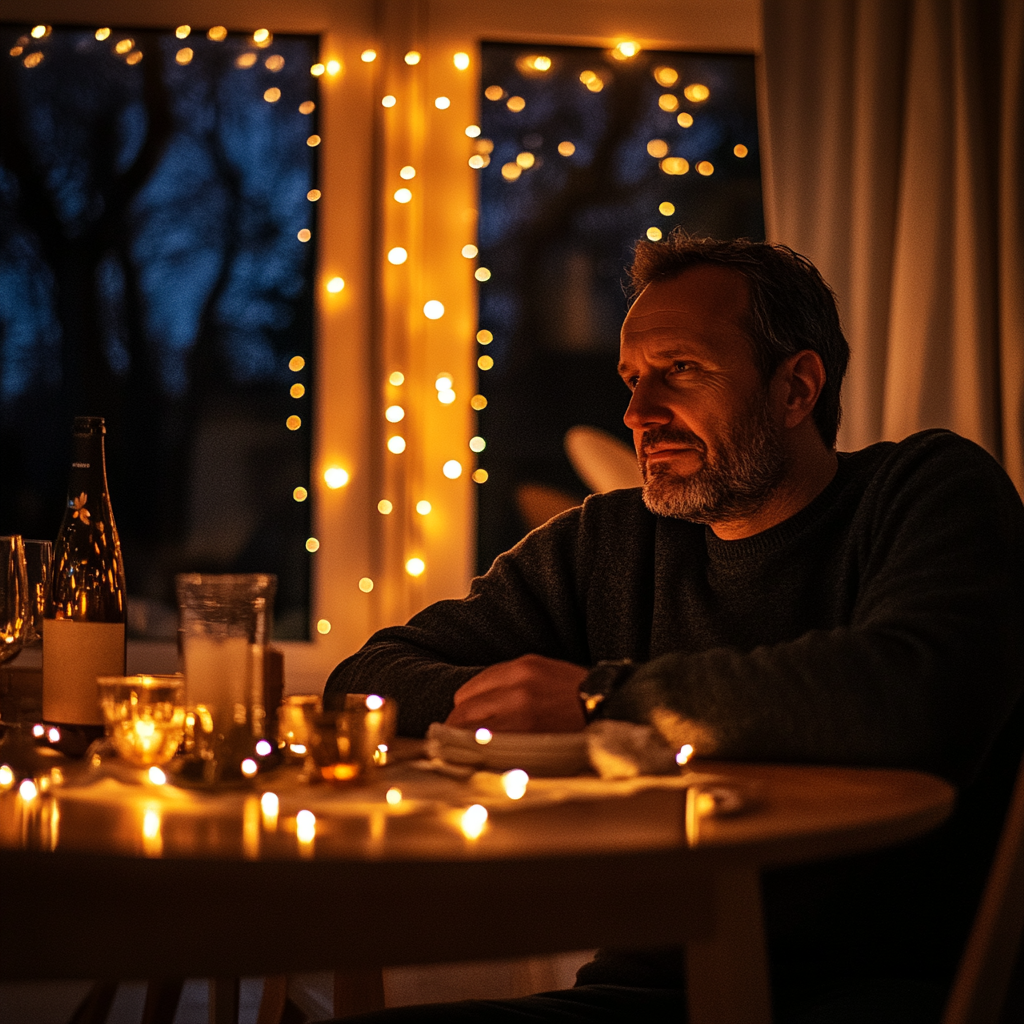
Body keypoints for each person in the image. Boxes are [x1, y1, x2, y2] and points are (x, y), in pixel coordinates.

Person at [324, 235, 1024, 1022]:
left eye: (681, 371)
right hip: (641, 997)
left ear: (796, 389)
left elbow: (912, 696)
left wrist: (601, 702)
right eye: (631, 380)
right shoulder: (608, 542)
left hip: (886, 997)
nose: (637, 414)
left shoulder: (927, 490)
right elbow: (366, 678)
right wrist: (500, 704)